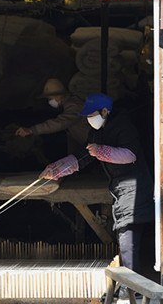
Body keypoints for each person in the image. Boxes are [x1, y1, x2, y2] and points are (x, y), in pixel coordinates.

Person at [40, 93, 154, 276]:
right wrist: (58, 169)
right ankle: (131, 285)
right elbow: (84, 156)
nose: (89, 119)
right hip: (119, 187)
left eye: (92, 115)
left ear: (105, 111)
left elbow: (130, 155)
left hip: (134, 186)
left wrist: (102, 151)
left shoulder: (123, 126)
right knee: (124, 236)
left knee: (127, 237)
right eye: (87, 115)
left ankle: (132, 287)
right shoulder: (97, 132)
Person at [15, 78, 90, 153]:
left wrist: (32, 130)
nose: (50, 101)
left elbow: (61, 123)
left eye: (50, 98)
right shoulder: (69, 106)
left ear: (59, 96)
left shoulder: (73, 106)